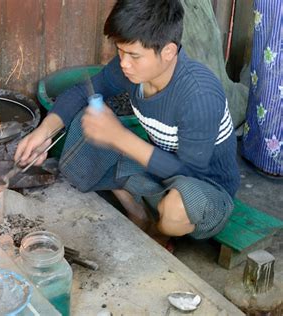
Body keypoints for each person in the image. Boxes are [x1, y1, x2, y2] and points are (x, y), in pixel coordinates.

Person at [14, 0, 240, 243]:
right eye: (120, 51)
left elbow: (190, 172)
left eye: (134, 55)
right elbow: (82, 92)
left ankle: (159, 232)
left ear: (168, 52)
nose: (124, 63)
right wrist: (44, 133)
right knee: (89, 118)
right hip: (158, 172)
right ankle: (138, 213)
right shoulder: (131, 70)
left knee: (177, 205)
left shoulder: (199, 94)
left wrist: (119, 138)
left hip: (206, 189)